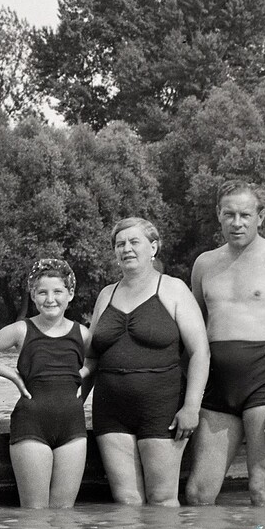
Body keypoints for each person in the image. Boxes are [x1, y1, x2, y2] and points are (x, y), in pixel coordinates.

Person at [185, 181, 265, 507]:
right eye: (229, 214)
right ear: (218, 215)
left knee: (262, 488)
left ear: (261, 216)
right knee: (198, 493)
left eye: (245, 214)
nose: (236, 222)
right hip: (217, 386)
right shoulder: (204, 264)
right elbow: (193, 334)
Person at [84, 217, 210, 506]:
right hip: (111, 410)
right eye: (120, 244)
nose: (126, 249)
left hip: (162, 408)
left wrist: (191, 407)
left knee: (162, 499)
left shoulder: (175, 289)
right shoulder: (106, 294)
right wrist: (72, 400)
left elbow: (200, 352)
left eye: (134, 242)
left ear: (153, 247)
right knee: (126, 500)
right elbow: (92, 356)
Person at [0, 259, 90, 508]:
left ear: (70, 294)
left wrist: (82, 377)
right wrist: (12, 375)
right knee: (35, 515)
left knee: (64, 514)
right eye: (42, 292)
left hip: (73, 429)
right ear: (33, 295)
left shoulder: (83, 334)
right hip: (31, 426)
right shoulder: (22, 330)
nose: (50, 299)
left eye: (57, 291)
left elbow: (99, 360)